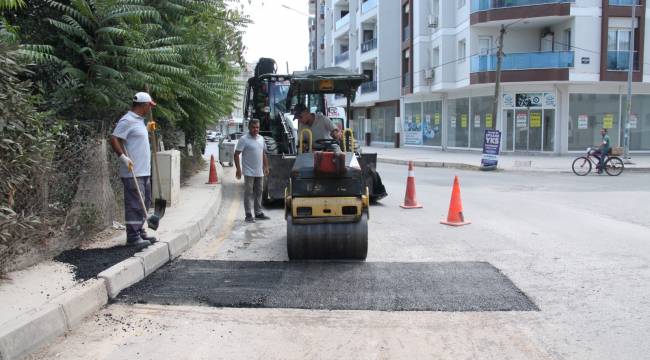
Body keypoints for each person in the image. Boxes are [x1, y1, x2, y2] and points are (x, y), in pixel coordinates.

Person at [110, 92, 157, 249]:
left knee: (145, 201)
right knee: (135, 204)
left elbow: (135, 139)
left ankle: (140, 231)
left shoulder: (139, 121)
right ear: (143, 105)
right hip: (132, 171)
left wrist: (147, 129)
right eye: (149, 105)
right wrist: (123, 157)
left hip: (144, 170)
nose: (150, 108)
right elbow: (114, 138)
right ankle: (132, 236)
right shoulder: (127, 120)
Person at [234, 119, 270, 223]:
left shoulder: (261, 139)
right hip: (249, 171)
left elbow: (263, 153)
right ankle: (248, 214)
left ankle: (258, 213)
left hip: (259, 171)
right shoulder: (244, 139)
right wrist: (238, 169)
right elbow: (236, 154)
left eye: (257, 127)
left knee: (259, 192)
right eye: (254, 127)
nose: (256, 129)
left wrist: (266, 166)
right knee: (248, 192)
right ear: (249, 127)